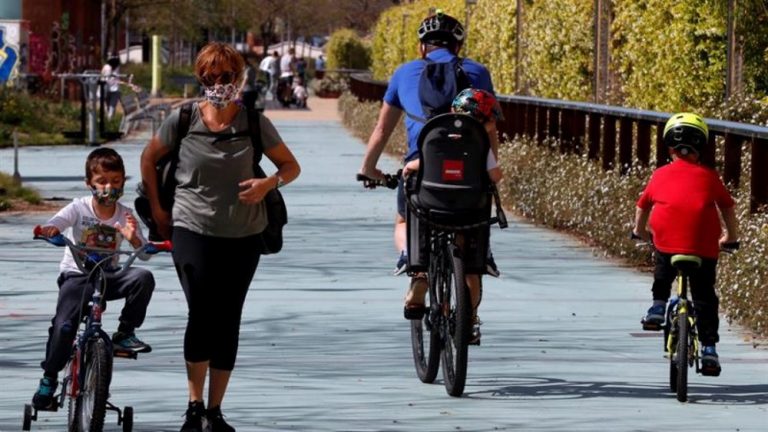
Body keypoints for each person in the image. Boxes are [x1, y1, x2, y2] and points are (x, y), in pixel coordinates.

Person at [140, 42, 300, 432]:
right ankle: (194, 406)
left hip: (243, 234)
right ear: (201, 79)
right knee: (201, 312)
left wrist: (268, 183)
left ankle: (215, 411)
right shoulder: (182, 119)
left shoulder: (253, 123)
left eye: (226, 76)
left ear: (239, 78)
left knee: (228, 318)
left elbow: (290, 166)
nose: (218, 84)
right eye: (210, 77)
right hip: (191, 228)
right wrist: (159, 209)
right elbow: (149, 158)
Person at [358, 10, 497, 333]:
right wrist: (492, 168)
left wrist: (369, 169)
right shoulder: (478, 72)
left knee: (403, 220)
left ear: (422, 47)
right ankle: (468, 319)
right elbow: (490, 125)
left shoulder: (404, 73)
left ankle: (416, 267)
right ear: (457, 46)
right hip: (471, 178)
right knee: (470, 245)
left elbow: (382, 129)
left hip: (423, 176)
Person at [31, 147, 155, 410]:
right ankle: (50, 377)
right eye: (102, 181)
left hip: (109, 276)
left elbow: (143, 253)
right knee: (64, 327)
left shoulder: (125, 214)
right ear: (89, 183)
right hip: (78, 277)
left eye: (116, 181)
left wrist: (133, 238)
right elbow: (58, 221)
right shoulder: (79, 208)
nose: (109, 187)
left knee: (143, 277)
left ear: (123, 182)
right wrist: (51, 229)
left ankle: (125, 332)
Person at [632, 112, 739, 376]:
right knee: (704, 296)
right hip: (703, 246)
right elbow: (727, 207)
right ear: (701, 146)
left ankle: (658, 306)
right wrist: (730, 237)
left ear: (669, 147)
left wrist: (640, 232)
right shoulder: (710, 176)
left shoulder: (659, 174)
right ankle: (709, 349)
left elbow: (642, 206)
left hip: (666, 241)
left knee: (663, 266)